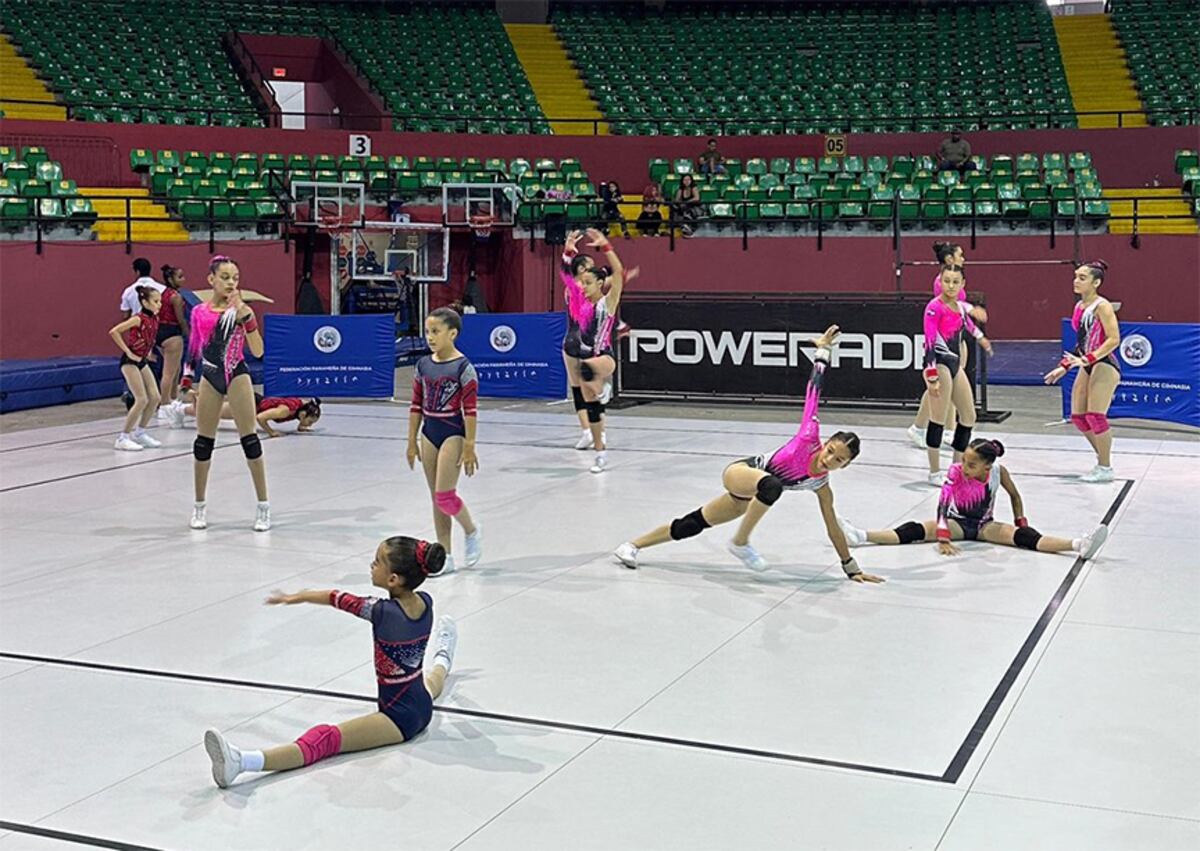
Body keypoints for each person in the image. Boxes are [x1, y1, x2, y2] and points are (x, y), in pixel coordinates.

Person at [614, 326, 883, 581]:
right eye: (831, 450)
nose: (829, 459)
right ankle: (741, 542)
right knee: (772, 484)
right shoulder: (808, 435)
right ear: (826, 443)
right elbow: (814, 390)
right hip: (741, 472)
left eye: (838, 460)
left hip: (750, 497)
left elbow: (833, 527)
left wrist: (851, 568)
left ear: (844, 466)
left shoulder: (822, 485)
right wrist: (823, 352)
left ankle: (631, 545)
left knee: (691, 524)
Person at [202, 535, 459, 788]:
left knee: (326, 740)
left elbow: (336, 597)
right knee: (432, 680)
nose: (372, 565)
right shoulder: (426, 601)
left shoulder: (383, 613)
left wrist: (298, 597)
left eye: (377, 561)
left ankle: (242, 762)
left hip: (398, 719)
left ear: (393, 579)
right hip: (420, 701)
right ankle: (444, 653)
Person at [839, 438, 1109, 560]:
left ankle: (1078, 545)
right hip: (956, 522)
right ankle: (860, 536)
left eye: (970, 464)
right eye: (964, 461)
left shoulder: (999, 473)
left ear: (986, 466)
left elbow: (1014, 495)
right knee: (915, 530)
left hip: (984, 525)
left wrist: (1021, 522)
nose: (963, 466)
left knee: (1026, 539)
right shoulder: (956, 472)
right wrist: (943, 537)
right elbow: (943, 504)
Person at [188, 255, 270, 532]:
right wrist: (188, 377)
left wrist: (247, 319)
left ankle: (263, 506)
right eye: (225, 277)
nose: (231, 282)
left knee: (250, 440)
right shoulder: (199, 311)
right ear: (211, 279)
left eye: (235, 278)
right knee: (203, 444)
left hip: (236, 373)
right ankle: (199, 506)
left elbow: (258, 351)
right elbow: (195, 346)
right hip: (209, 376)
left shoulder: (241, 311)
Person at [407, 307, 482, 574]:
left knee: (444, 496)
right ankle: (445, 555)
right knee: (435, 497)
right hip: (429, 431)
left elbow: (470, 410)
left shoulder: (464, 367)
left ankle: (471, 530)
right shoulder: (423, 365)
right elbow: (416, 404)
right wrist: (411, 440)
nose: (430, 337)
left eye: (436, 331)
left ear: (453, 333)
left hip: (453, 431)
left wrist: (470, 445)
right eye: (427, 331)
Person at [561, 228, 639, 473]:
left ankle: (603, 386)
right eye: (581, 283)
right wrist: (567, 251)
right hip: (585, 359)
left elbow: (617, 272)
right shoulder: (579, 302)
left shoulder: (608, 302)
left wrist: (606, 246)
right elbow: (565, 275)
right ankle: (600, 452)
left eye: (587, 283)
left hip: (604, 358)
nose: (582, 287)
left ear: (598, 283)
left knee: (587, 369)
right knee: (592, 406)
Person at [1043, 261, 1120, 483]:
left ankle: (1105, 467)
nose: (1076, 280)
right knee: (1078, 417)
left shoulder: (1102, 306)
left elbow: (1114, 339)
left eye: (1083, 277)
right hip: (1086, 362)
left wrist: (1088, 359)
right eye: (1076, 276)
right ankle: (1103, 458)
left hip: (1104, 363)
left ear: (1096, 282)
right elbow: (1082, 342)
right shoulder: (1079, 307)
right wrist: (1064, 366)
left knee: (1095, 416)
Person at [906, 242, 988, 449]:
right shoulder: (941, 284)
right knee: (942, 387)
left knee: (952, 387)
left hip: (957, 339)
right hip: (946, 344)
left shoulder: (956, 283)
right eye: (961, 255)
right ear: (950, 259)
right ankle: (921, 426)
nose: (964, 258)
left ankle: (948, 431)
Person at [922, 265, 993, 485]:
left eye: (955, 282)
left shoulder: (960, 307)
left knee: (969, 416)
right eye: (946, 281)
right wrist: (932, 375)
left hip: (955, 365)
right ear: (940, 283)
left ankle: (956, 467)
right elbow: (930, 342)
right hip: (940, 364)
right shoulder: (934, 308)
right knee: (939, 418)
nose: (950, 286)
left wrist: (981, 338)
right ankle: (934, 471)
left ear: (962, 284)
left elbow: (968, 325)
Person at [108, 286, 164, 452]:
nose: (159, 304)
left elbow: (147, 338)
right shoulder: (138, 318)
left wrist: (148, 353)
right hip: (129, 362)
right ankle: (123, 437)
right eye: (155, 301)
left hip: (142, 360)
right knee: (141, 399)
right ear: (145, 302)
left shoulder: (154, 319)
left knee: (155, 397)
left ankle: (140, 433)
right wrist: (128, 352)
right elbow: (114, 331)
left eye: (160, 301)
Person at [170, 395, 321, 436]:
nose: (309, 424)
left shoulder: (301, 407)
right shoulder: (285, 411)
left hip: (254, 403)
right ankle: (177, 408)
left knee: (213, 411)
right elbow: (260, 418)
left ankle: (180, 408)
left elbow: (305, 412)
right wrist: (272, 432)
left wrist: (302, 427)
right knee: (212, 411)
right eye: (309, 421)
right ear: (303, 414)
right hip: (249, 405)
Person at [155, 264, 191, 412]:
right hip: (171, 332)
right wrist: (188, 333)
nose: (183, 279)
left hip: (160, 332)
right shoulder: (175, 297)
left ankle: (173, 398)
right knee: (169, 372)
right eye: (180, 277)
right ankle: (164, 404)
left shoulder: (163, 294)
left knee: (174, 369)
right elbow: (181, 319)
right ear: (170, 279)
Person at [672, 174, 703, 238]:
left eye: (688, 180)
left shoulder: (694, 188)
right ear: (682, 181)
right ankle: (684, 228)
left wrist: (687, 202)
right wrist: (680, 202)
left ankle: (689, 230)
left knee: (688, 210)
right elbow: (677, 200)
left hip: (695, 207)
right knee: (676, 208)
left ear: (691, 181)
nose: (687, 181)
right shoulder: (681, 189)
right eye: (685, 180)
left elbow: (696, 198)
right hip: (684, 207)